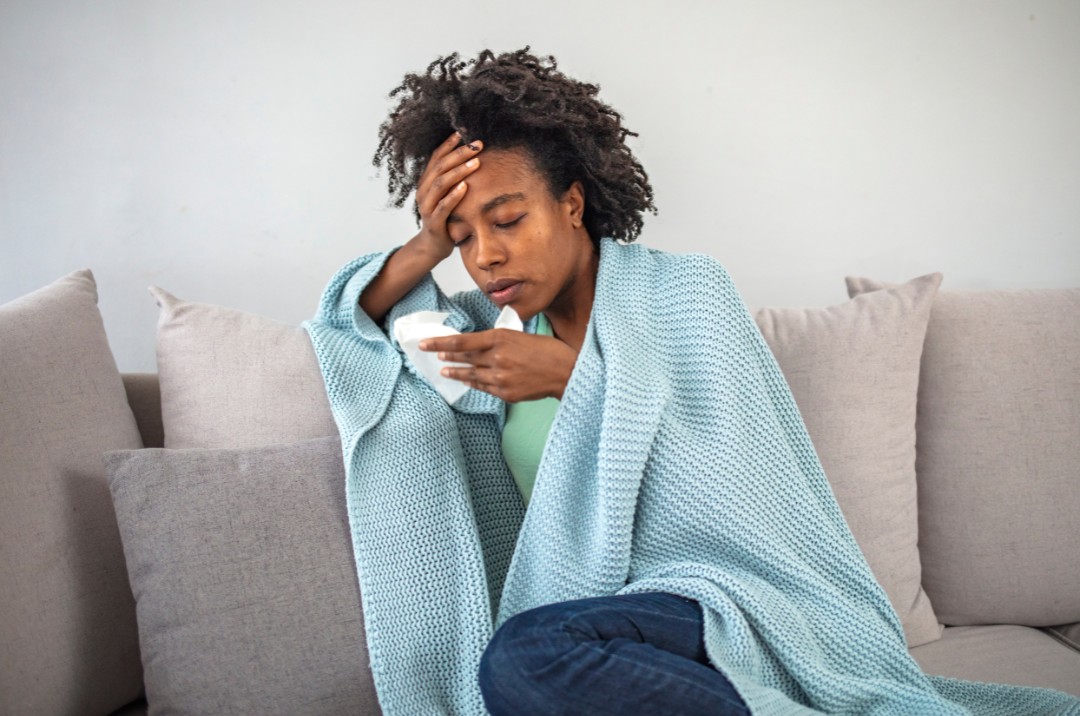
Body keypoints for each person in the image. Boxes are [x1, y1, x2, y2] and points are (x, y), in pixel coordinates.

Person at [305, 48, 1080, 716]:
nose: (487, 257)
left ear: (572, 203)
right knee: (521, 664)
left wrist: (578, 383)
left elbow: (743, 492)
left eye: (506, 220)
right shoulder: (496, 336)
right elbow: (360, 325)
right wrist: (424, 241)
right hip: (613, 634)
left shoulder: (687, 295)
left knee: (525, 659)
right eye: (465, 237)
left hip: (731, 604)